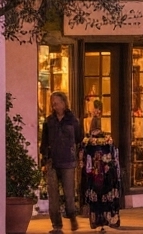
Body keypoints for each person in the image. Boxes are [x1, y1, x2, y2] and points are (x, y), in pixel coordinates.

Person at [40, 91, 83, 234]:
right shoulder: (49, 121)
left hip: (68, 161)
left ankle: (72, 216)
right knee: (53, 196)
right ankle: (56, 226)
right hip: (52, 161)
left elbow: (79, 138)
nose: (54, 105)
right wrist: (44, 160)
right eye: (53, 102)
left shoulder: (73, 120)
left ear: (64, 103)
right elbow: (44, 142)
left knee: (69, 194)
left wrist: (76, 153)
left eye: (57, 102)